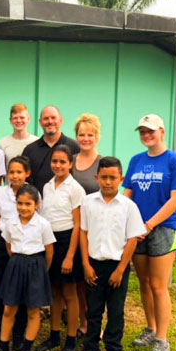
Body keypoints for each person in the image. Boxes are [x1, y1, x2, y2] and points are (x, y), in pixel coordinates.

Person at [123, 114, 176, 351]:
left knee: (159, 285)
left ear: (162, 131)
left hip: (163, 230)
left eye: (150, 131)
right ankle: (151, 329)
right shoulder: (136, 160)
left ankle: (162, 340)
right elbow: (128, 194)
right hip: (138, 230)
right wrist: (127, 223)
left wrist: (150, 224)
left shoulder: (175, 160)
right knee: (144, 282)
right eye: (142, 131)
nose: (146, 135)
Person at [75, 157, 146, 351]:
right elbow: (83, 233)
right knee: (93, 311)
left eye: (112, 178)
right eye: (103, 177)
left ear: (121, 179)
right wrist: (86, 264)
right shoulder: (88, 202)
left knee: (115, 312)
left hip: (117, 267)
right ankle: (90, 350)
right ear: (96, 177)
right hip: (94, 266)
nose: (107, 182)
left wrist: (121, 269)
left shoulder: (129, 206)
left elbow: (133, 239)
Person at [0, 185, 56, 351]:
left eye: (28, 204)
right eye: (20, 203)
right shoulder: (11, 223)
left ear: (37, 205)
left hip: (36, 265)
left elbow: (49, 251)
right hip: (16, 264)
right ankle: (3, 346)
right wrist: (17, 262)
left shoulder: (43, 224)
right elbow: (9, 246)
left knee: (33, 310)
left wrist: (41, 271)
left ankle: (26, 350)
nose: (23, 208)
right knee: (9, 308)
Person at [37, 145, 85, 351]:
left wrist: (70, 256)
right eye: (54, 161)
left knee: (69, 294)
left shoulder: (75, 188)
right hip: (50, 242)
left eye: (62, 162)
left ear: (70, 164)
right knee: (54, 291)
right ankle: (54, 335)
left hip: (67, 242)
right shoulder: (47, 186)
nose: (58, 165)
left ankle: (71, 339)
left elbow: (78, 224)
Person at [0, 156, 34, 348]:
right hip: (3, 245)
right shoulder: (0, 193)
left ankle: (19, 333)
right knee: (2, 287)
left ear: (27, 173)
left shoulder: (33, 193)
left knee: (21, 289)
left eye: (19, 172)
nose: (15, 176)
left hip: (24, 247)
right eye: (11, 172)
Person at [71, 113, 102, 338]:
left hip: (97, 229)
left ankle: (96, 323)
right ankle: (83, 321)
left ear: (97, 137)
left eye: (90, 135)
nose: (86, 139)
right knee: (79, 282)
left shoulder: (103, 163)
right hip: (74, 229)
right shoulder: (69, 161)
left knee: (95, 280)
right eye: (82, 134)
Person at [22, 106, 80, 194]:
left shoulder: (75, 147)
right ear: (40, 122)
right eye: (46, 118)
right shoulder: (29, 150)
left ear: (61, 121)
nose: (50, 121)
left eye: (53, 118)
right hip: (36, 201)